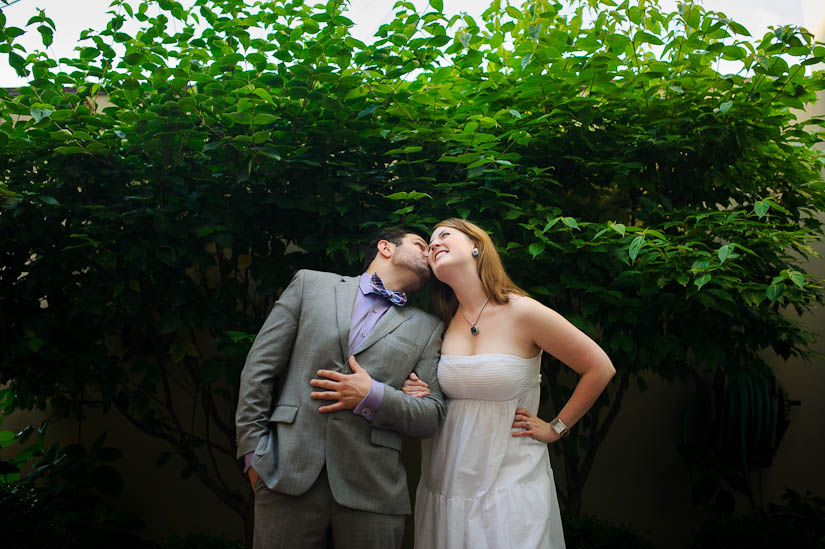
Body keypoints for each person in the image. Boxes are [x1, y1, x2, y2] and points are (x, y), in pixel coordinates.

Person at [402, 218, 616, 549]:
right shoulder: (441, 324)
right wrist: (418, 391)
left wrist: (556, 427)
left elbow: (599, 367)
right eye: (430, 244)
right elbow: (440, 393)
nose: (433, 244)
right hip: (447, 479)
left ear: (477, 246)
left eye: (444, 235)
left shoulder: (523, 311)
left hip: (510, 479)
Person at [235, 227, 447, 549]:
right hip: (285, 475)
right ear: (385, 248)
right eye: (421, 245)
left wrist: (372, 396)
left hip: (374, 491)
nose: (429, 253)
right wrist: (253, 454)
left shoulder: (429, 327)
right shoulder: (310, 285)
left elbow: (430, 415)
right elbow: (259, 369)